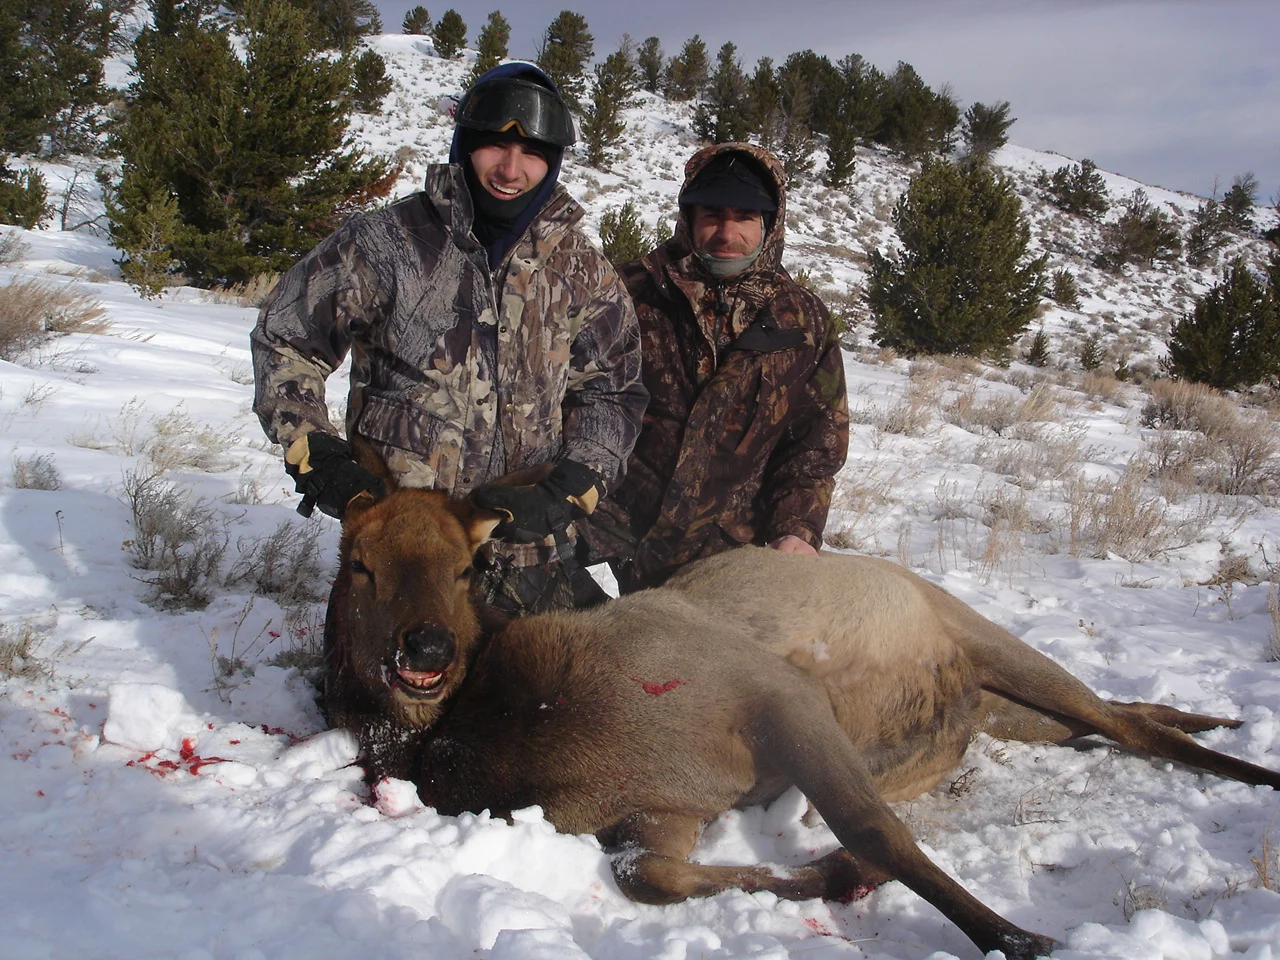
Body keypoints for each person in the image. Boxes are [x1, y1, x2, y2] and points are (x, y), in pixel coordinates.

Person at [250, 64, 646, 615]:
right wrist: (313, 447)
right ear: (465, 144)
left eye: (532, 152)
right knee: (398, 696)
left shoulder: (584, 272)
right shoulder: (384, 243)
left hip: (528, 550)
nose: (511, 169)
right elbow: (286, 340)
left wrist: (572, 485)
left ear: (553, 160)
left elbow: (612, 392)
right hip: (405, 554)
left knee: (603, 688)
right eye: (493, 146)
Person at [586, 142, 849, 593]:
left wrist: (797, 529)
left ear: (769, 223)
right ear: (688, 217)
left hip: (724, 554)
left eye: (744, 217)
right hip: (609, 524)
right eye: (712, 214)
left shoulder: (803, 321)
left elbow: (813, 448)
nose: (726, 233)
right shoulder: (624, 292)